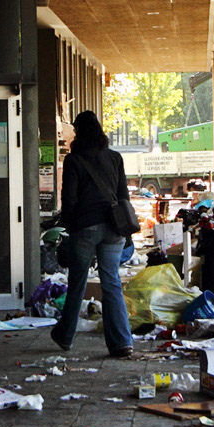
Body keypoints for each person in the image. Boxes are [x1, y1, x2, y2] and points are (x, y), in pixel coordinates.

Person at [51, 110, 134, 358]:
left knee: (77, 283)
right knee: (112, 284)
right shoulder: (115, 158)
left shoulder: (74, 160)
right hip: (113, 228)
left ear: (79, 132)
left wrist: (67, 226)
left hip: (86, 227)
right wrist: (126, 232)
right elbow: (123, 197)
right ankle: (122, 342)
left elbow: (69, 199)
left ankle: (65, 336)